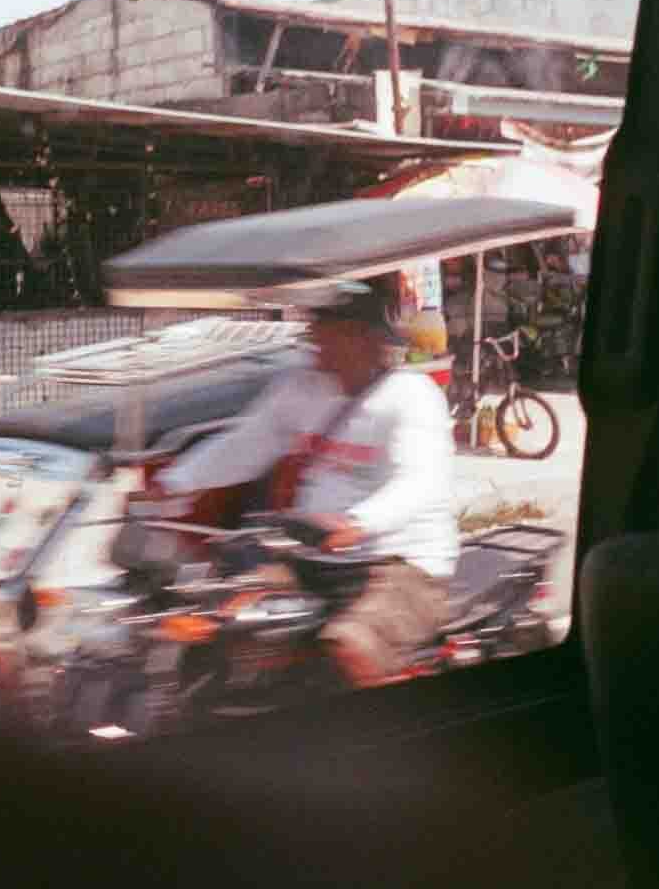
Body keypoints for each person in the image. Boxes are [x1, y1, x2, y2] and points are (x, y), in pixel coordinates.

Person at [157, 282, 458, 688]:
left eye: (327, 325)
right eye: (315, 323)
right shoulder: (298, 388)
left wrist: (358, 523)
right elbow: (246, 444)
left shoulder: (411, 396)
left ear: (362, 337)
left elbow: (420, 480)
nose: (313, 335)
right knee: (223, 621)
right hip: (309, 559)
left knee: (350, 651)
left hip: (400, 566)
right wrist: (172, 483)